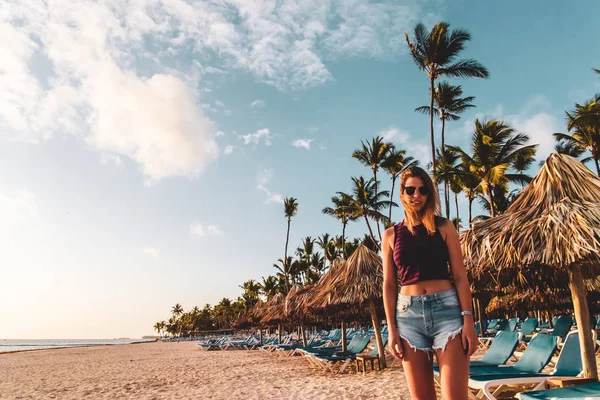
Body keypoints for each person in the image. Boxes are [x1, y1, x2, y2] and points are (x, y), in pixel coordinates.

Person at [382, 166, 477, 400]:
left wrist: (468, 321)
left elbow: (460, 277)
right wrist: (391, 330)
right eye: (411, 189)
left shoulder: (444, 227)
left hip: (448, 313)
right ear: (402, 193)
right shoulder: (391, 235)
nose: (417, 195)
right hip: (408, 317)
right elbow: (389, 285)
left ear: (429, 194)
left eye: (422, 190)